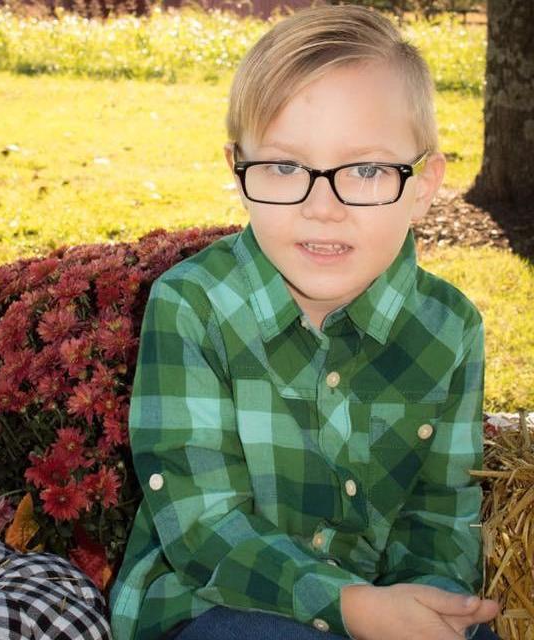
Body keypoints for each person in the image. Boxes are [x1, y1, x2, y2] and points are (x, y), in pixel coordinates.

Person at [109, 5, 501, 639]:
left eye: (367, 170)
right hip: (215, 603)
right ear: (238, 171)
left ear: (424, 186)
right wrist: (353, 608)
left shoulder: (449, 328)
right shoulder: (193, 306)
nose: (322, 207)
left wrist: (429, 609)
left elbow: (440, 518)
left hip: (383, 607)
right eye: (286, 167)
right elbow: (205, 528)